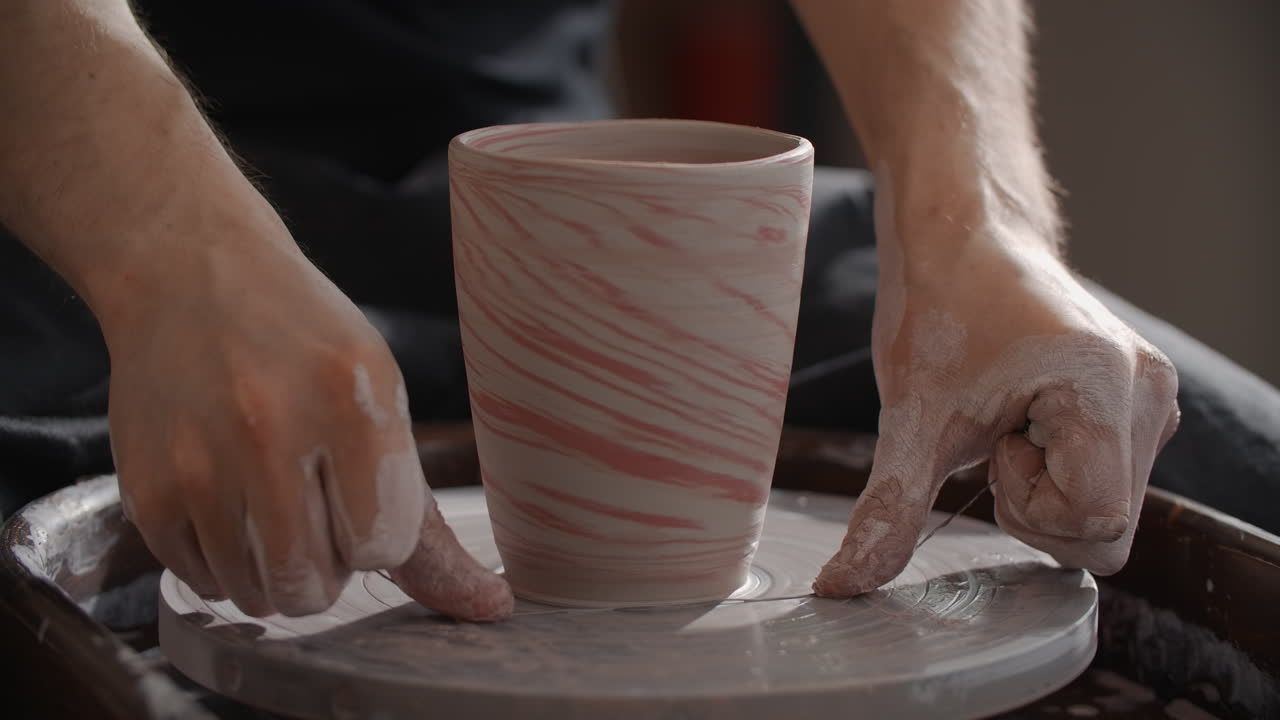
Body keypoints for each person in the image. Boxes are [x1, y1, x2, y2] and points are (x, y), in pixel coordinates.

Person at [0, 0, 1275, 622]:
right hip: (86, 214)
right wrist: (170, 253)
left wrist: (975, 214)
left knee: (1215, 466)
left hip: (567, 213)